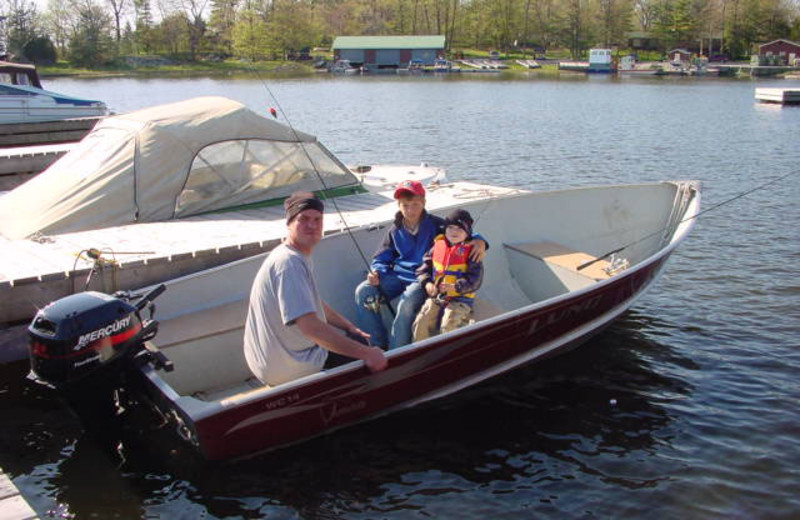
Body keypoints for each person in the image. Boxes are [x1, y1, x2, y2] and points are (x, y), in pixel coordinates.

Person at [243, 192, 387, 387]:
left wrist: (348, 326)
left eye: (317, 220)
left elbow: (314, 304)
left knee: (354, 338)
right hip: (290, 366)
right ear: (289, 223)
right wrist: (368, 354)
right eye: (304, 219)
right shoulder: (289, 264)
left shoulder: (292, 255)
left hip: (270, 362)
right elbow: (311, 327)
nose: (312, 225)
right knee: (365, 355)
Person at [354, 180, 487, 350]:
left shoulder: (437, 225)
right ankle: (376, 345)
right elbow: (381, 258)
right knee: (363, 291)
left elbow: (462, 233)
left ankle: (397, 350)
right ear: (398, 205)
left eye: (415, 204)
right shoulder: (394, 230)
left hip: (422, 279)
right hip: (396, 276)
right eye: (405, 205)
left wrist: (481, 241)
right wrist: (376, 272)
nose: (410, 210)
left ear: (424, 203)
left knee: (406, 302)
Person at [412, 209, 483, 341]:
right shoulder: (437, 246)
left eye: (459, 228)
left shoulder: (472, 252)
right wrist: (427, 283)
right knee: (422, 320)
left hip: (460, 300)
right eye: (450, 227)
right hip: (438, 296)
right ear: (444, 229)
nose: (454, 232)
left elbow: (476, 280)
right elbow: (422, 270)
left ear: (467, 232)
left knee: (448, 324)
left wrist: (456, 287)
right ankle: (419, 350)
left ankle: (448, 352)